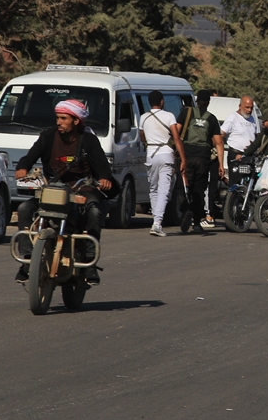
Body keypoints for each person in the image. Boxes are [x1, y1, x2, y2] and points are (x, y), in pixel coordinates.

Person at [12, 99, 118, 285]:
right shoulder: (47, 137)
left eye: (63, 118)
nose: (58, 122)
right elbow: (30, 156)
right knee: (24, 209)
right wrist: (23, 167)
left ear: (76, 121)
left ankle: (88, 262)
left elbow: (102, 165)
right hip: (53, 189)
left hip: (83, 189)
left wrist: (104, 179)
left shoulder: (88, 140)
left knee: (94, 211)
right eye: (57, 118)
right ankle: (28, 260)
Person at [176, 90, 226, 234]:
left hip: (187, 154)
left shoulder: (186, 113)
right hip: (203, 157)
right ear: (209, 102)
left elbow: (177, 132)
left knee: (182, 185)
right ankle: (197, 223)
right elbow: (219, 142)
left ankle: (186, 209)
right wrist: (221, 165)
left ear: (196, 101)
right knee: (198, 189)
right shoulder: (211, 118)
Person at [140, 91, 187, 236]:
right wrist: (183, 159)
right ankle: (157, 223)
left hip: (151, 155)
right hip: (166, 155)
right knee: (164, 191)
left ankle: (156, 221)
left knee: (153, 189)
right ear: (162, 102)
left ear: (149, 102)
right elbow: (177, 138)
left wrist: (150, 143)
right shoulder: (169, 116)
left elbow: (142, 137)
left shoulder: (143, 117)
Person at [221, 95, 259, 160]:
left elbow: (256, 135)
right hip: (235, 154)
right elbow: (221, 135)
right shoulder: (233, 117)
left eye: (251, 108)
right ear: (240, 106)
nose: (249, 110)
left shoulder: (252, 118)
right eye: (247, 107)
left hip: (249, 154)